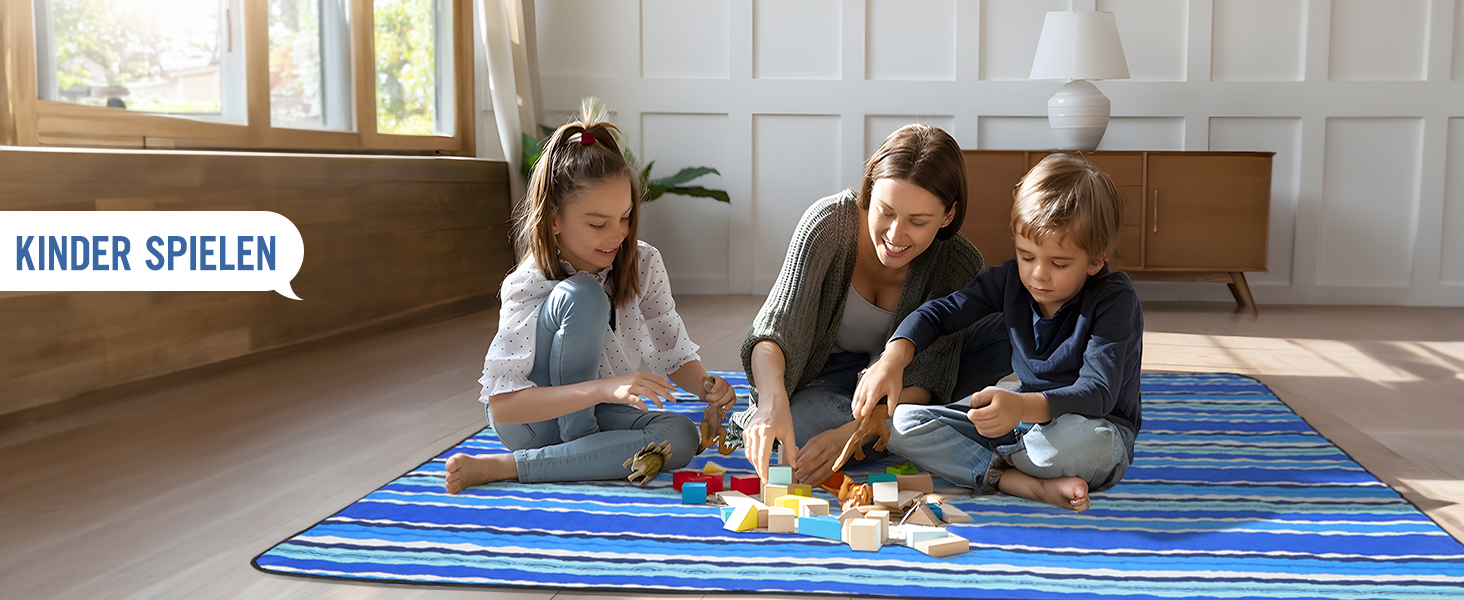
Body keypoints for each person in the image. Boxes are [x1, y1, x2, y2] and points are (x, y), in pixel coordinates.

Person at [445, 103, 735, 493]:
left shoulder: (644, 261)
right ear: (554, 220)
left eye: (625, 217)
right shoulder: (528, 283)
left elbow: (671, 348)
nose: (617, 235)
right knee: (583, 294)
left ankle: (569, 455)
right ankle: (512, 464)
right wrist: (604, 389)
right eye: (598, 223)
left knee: (679, 435)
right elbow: (503, 407)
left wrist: (706, 386)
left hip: (603, 415)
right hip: (535, 424)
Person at [855, 152, 1143, 512]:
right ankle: (1012, 479)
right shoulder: (1011, 281)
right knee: (900, 421)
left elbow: (1098, 393)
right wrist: (893, 357)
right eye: (1026, 256)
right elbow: (941, 313)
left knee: (1075, 444)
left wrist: (1019, 406)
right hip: (1021, 426)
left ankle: (993, 464)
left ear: (1097, 259)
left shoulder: (1115, 300)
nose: (1038, 274)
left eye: (1059, 263)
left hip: (1094, 428)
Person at [729, 124, 1012, 486]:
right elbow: (773, 331)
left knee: (1013, 321)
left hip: (906, 393)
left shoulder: (957, 262)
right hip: (823, 382)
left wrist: (853, 432)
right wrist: (772, 401)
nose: (895, 235)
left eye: (917, 221)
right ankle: (923, 435)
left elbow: (929, 377)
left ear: (947, 216)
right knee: (794, 430)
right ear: (869, 189)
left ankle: (903, 433)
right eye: (886, 211)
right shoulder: (828, 225)